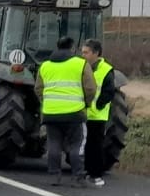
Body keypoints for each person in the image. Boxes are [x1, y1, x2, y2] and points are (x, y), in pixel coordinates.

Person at [35, 35, 95, 186]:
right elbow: (90, 88)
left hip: (51, 114)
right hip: (75, 113)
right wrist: (86, 104)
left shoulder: (45, 65)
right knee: (77, 145)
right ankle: (78, 177)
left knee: (54, 144)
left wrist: (47, 102)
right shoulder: (80, 64)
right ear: (73, 48)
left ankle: (54, 175)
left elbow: (38, 89)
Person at [82, 40, 121, 185]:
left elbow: (109, 91)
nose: (83, 55)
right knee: (85, 145)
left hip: (97, 116)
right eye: (83, 52)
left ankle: (96, 174)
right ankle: (87, 172)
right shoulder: (83, 67)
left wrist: (98, 105)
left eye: (86, 52)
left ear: (95, 53)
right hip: (84, 114)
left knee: (95, 146)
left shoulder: (106, 69)